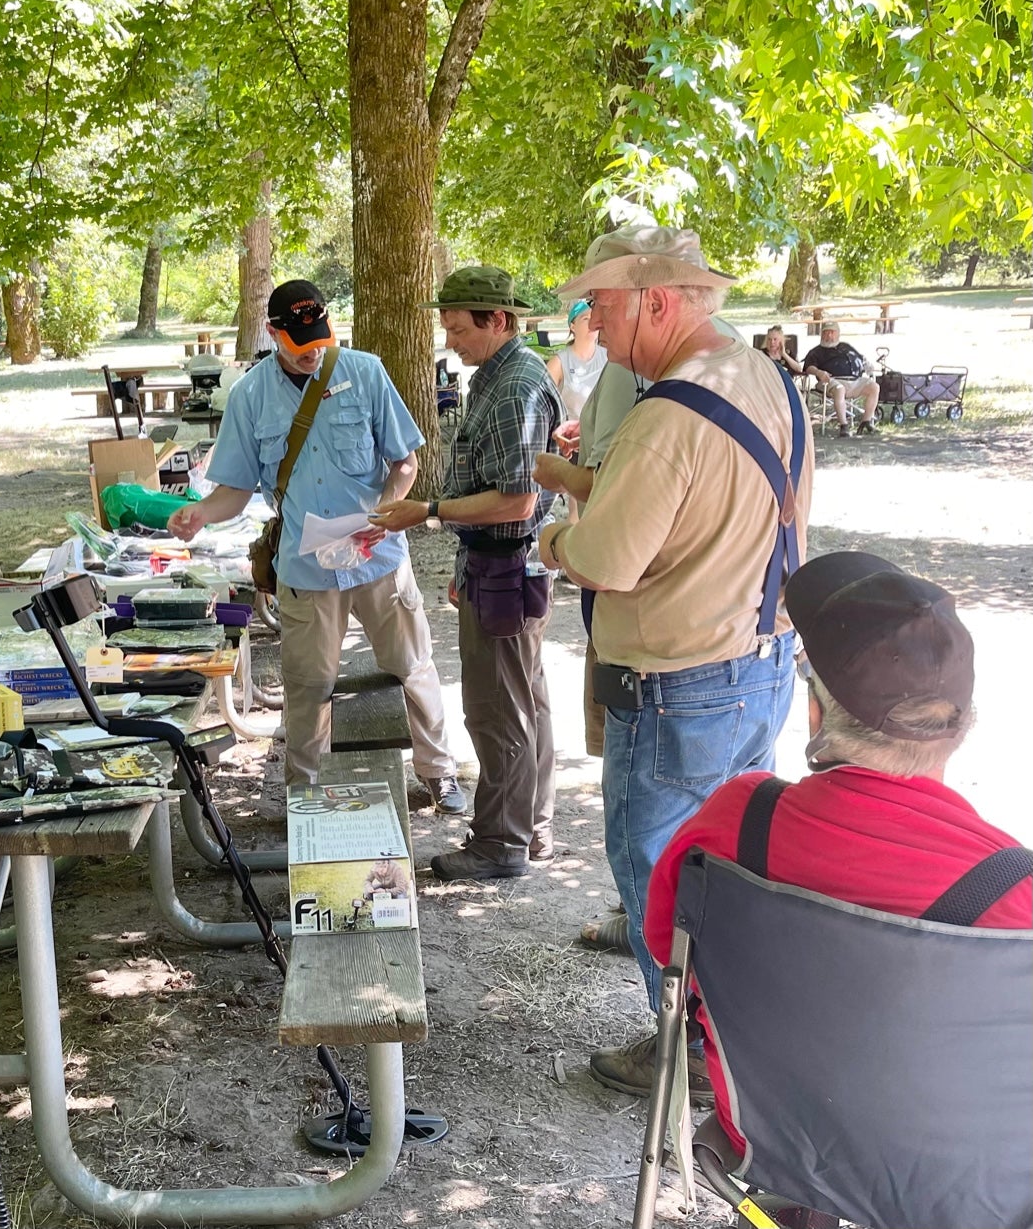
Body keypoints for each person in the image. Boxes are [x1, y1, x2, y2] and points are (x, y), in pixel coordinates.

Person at [534, 225, 814, 1097]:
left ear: (655, 301)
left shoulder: (665, 413)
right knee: (730, 865)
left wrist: (552, 538)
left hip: (677, 682)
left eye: (603, 309)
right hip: (758, 659)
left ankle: (693, 1046)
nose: (596, 329)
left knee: (655, 867)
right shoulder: (762, 375)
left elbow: (607, 560)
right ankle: (735, 1025)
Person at [643, 551, 1031, 1150]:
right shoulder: (1017, 892)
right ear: (963, 727)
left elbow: (671, 952)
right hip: (955, 1187)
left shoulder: (736, 821)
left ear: (816, 713)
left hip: (771, 1142)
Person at [166, 280, 462, 809]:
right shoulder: (250, 396)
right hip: (306, 565)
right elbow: (233, 491)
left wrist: (390, 510)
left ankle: (440, 772)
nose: (313, 355)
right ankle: (304, 790)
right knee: (308, 685)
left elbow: (406, 461)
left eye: (321, 343)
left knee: (413, 663)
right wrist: (200, 515)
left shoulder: (365, 371)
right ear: (274, 334)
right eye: (302, 348)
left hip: (378, 554)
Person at [372, 267, 564, 880]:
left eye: (458, 328)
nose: (450, 340)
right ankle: (529, 827)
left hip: (507, 567)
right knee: (524, 702)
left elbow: (516, 501)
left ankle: (500, 843)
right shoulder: (495, 377)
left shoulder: (514, 389)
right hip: (493, 564)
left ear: (498, 321)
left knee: (496, 709)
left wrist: (426, 511)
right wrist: (463, 557)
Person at [801, 320, 878, 436]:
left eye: (832, 332)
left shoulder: (846, 347)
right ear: (821, 334)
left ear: (838, 334)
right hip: (830, 381)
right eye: (826, 332)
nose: (829, 335)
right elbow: (808, 367)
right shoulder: (816, 351)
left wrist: (867, 365)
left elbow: (861, 358)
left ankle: (866, 422)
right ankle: (844, 426)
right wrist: (818, 372)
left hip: (854, 381)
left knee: (874, 387)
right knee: (839, 388)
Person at [547, 298, 608, 420]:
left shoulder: (609, 357)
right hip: (570, 435)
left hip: (602, 433)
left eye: (594, 317)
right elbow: (543, 403)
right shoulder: (559, 362)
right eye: (585, 319)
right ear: (573, 326)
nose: (592, 323)